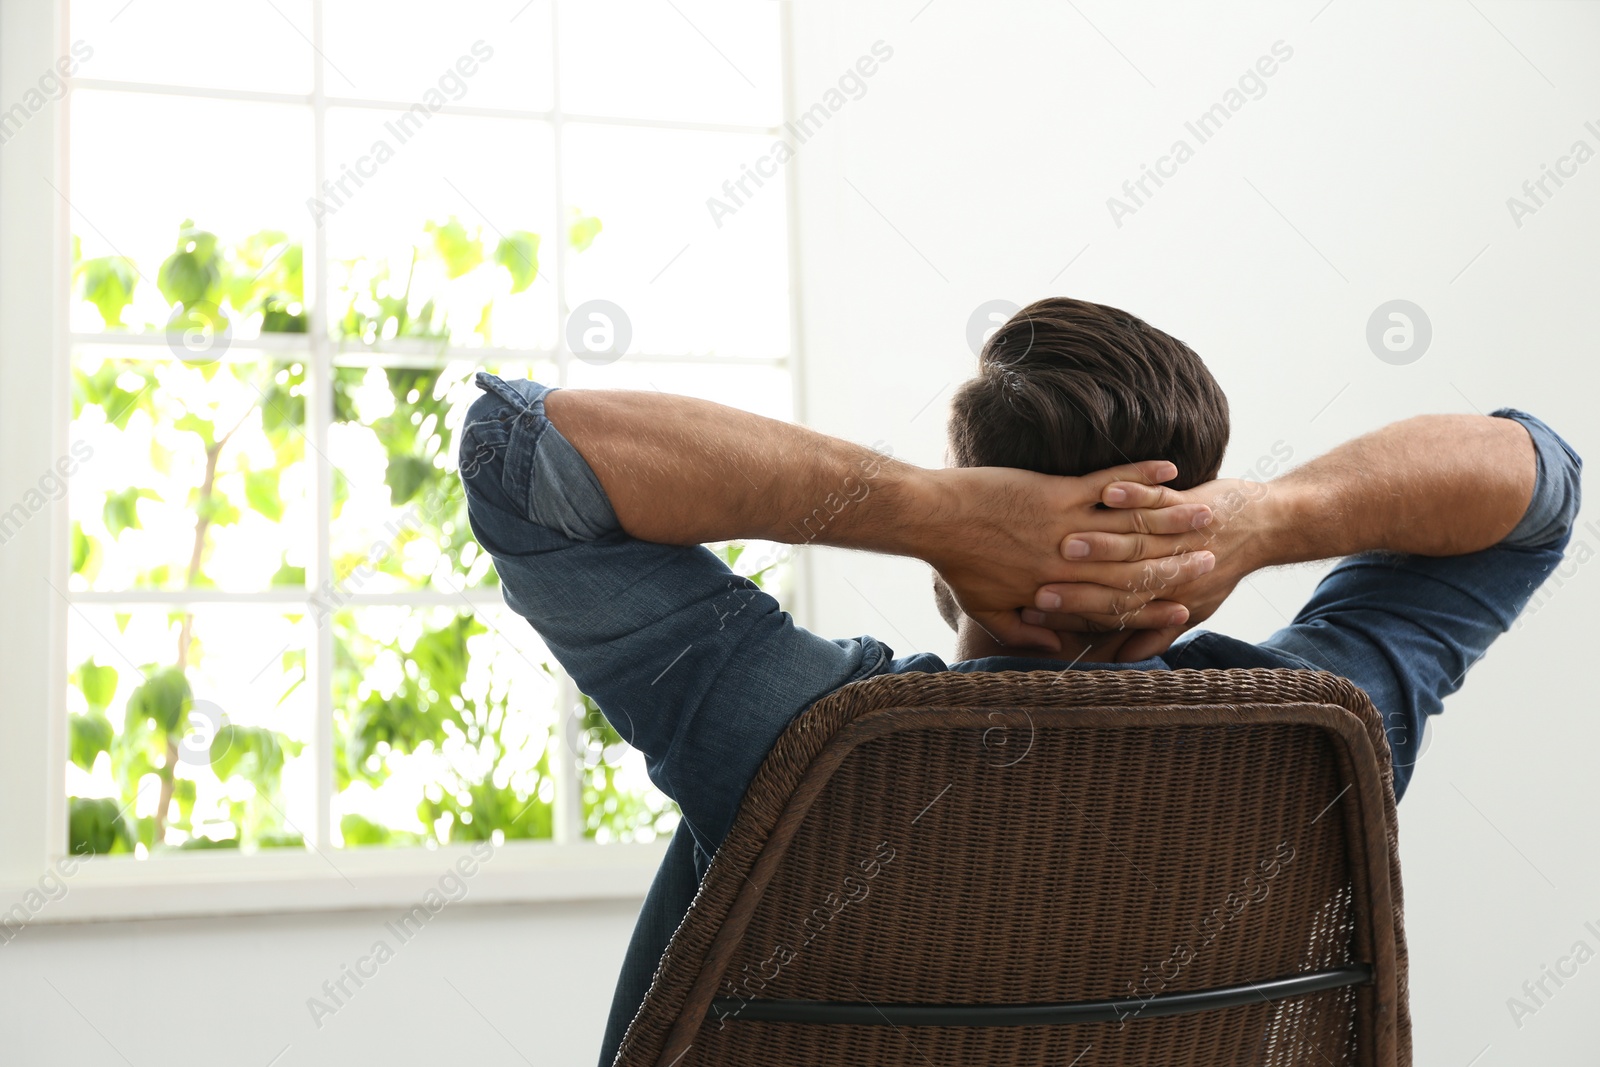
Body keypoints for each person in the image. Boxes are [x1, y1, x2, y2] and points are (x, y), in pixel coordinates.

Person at [456, 297, 1581, 1066]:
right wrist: (1271, 520)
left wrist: (921, 510)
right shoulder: (1319, 729)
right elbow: (1537, 483)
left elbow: (521, 456)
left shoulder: (807, 732)